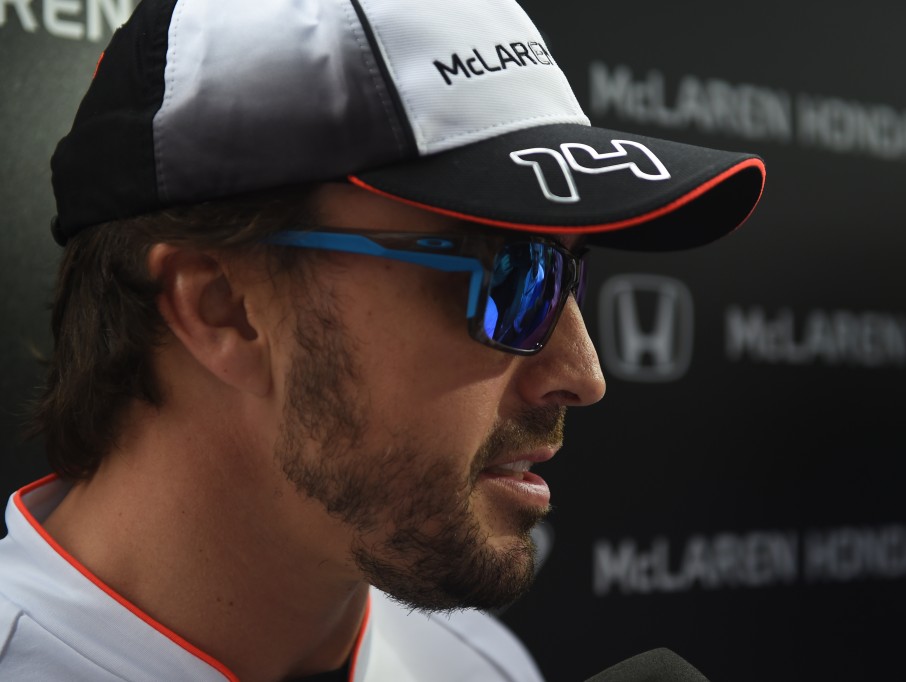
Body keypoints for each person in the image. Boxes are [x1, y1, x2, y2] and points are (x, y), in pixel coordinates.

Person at [0, 0, 765, 680]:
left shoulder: (480, 664)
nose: (581, 373)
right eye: (508, 274)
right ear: (224, 308)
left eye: (568, 274)